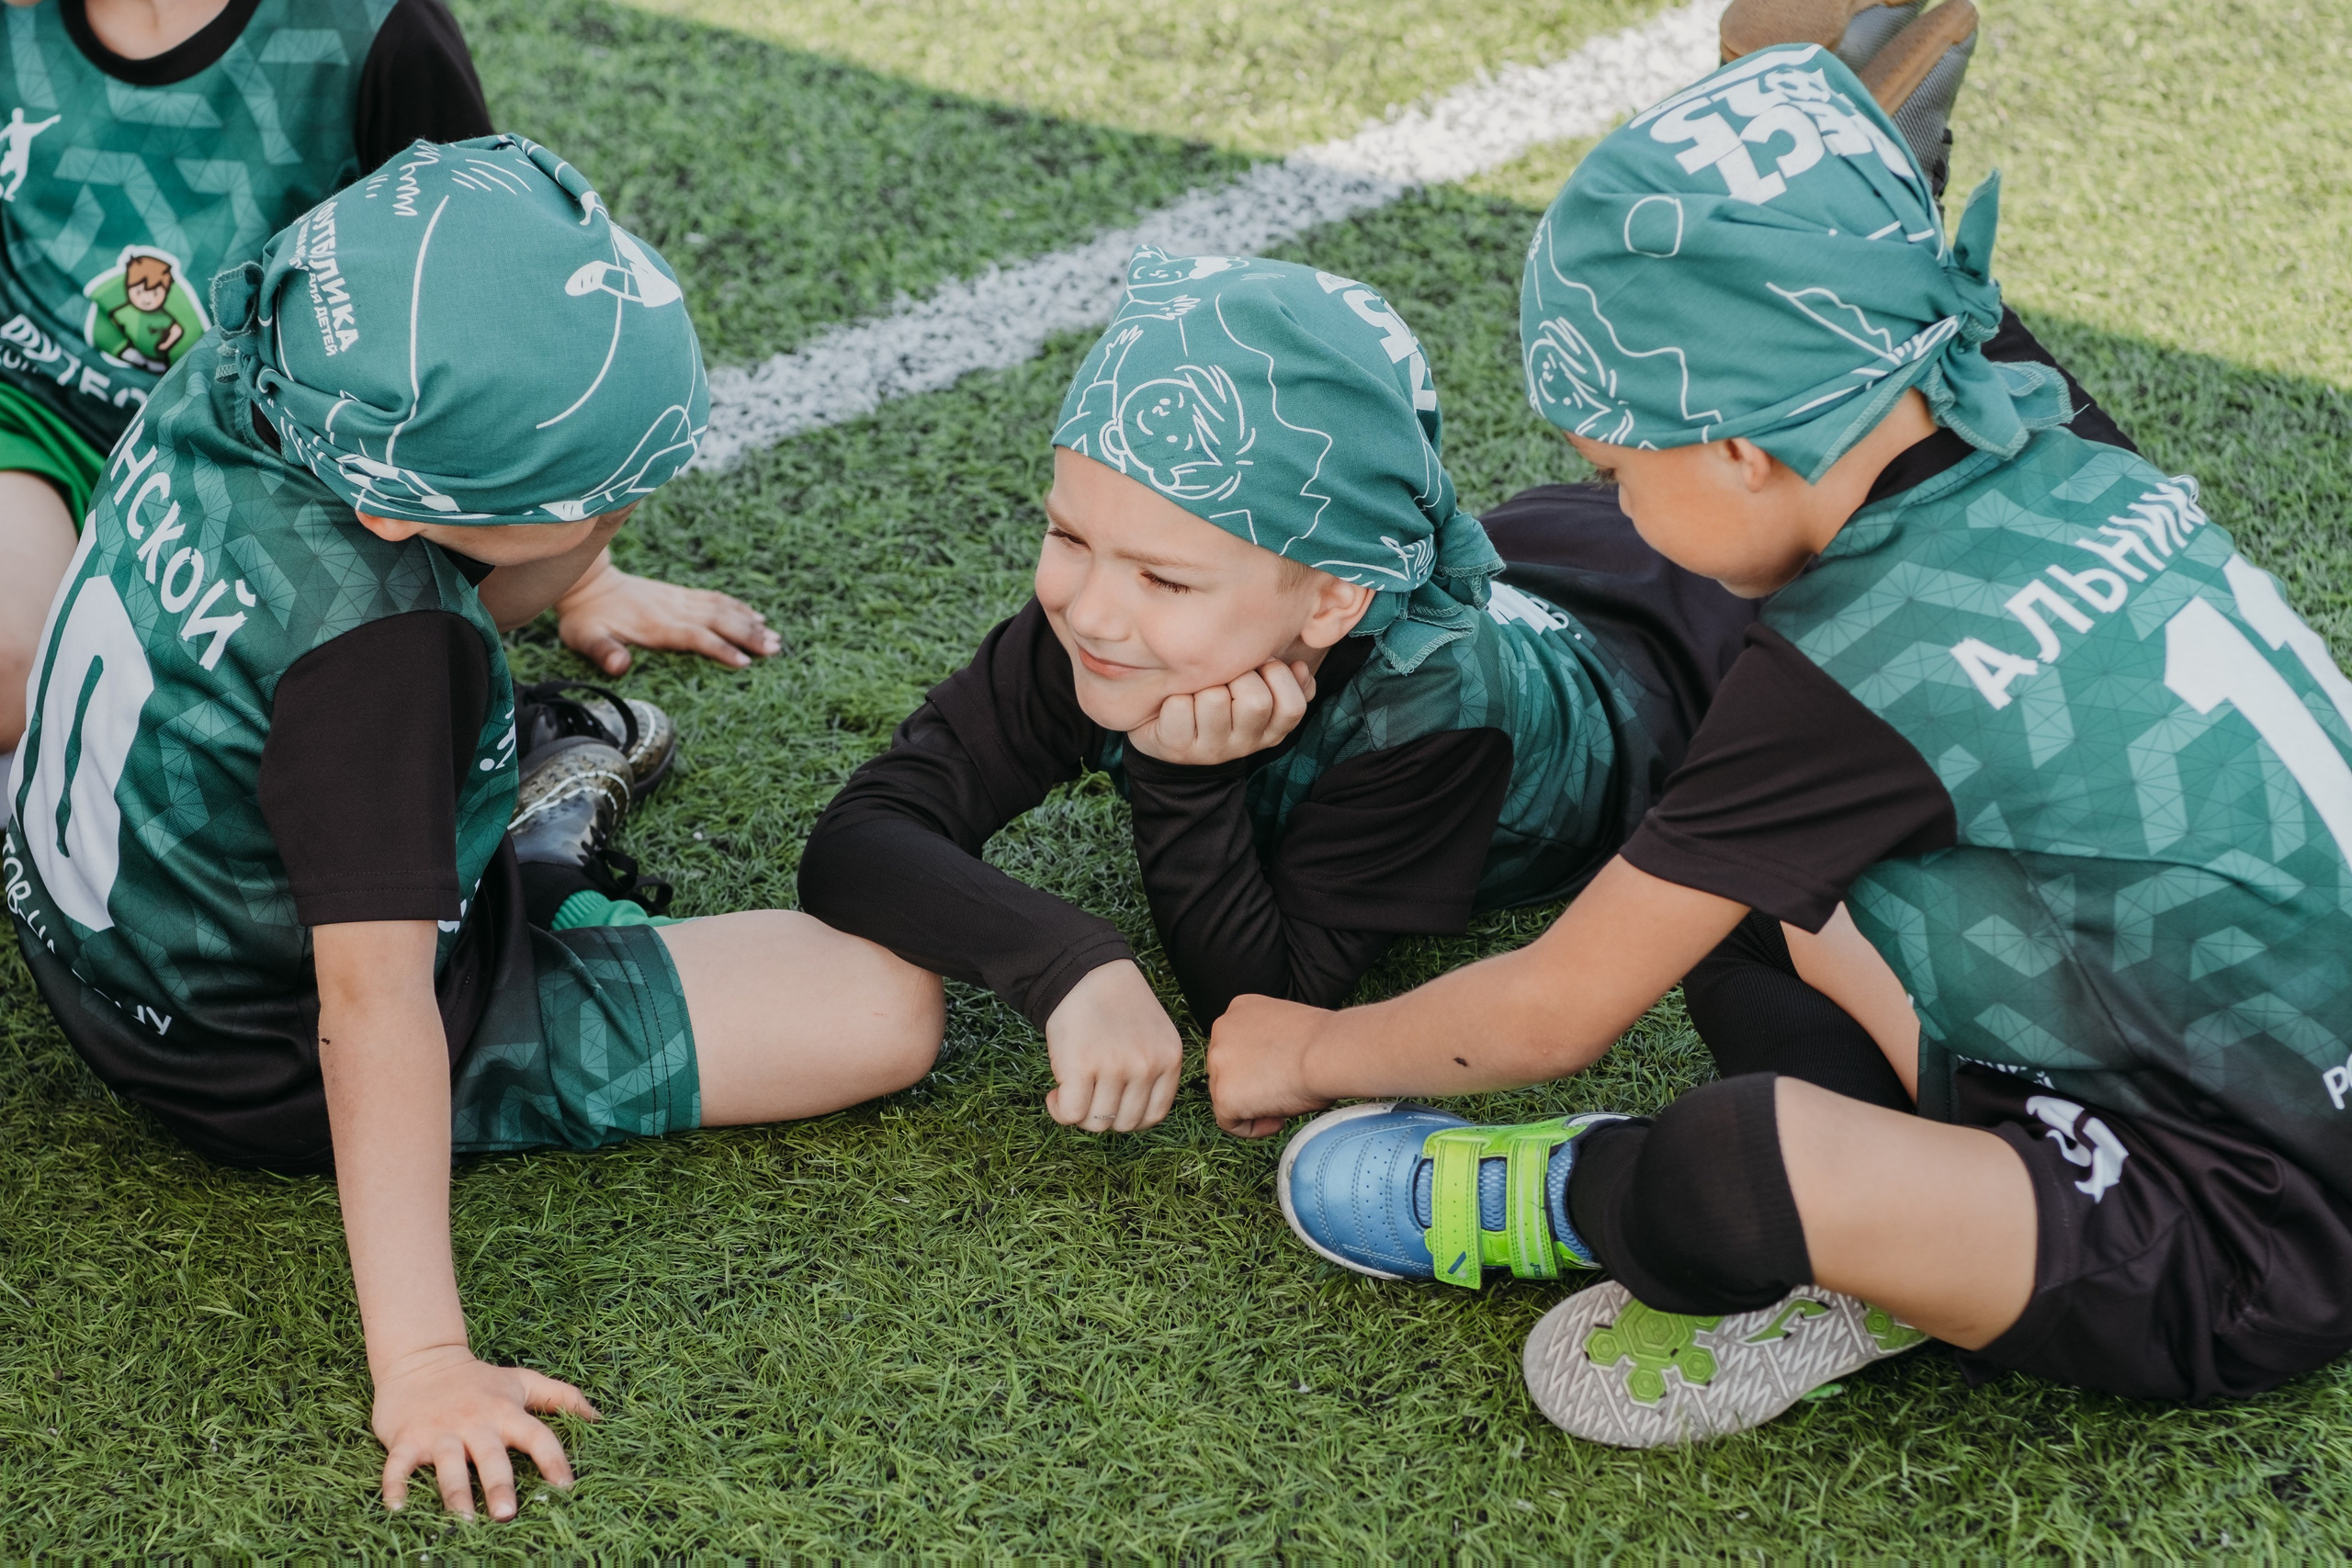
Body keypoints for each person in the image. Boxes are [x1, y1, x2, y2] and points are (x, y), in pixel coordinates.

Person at [1210, 44, 2352, 1449]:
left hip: (2241, 1237)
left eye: (1619, 471)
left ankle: (1587, 1190)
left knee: (1730, 1160)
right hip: (2220, 1065)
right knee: (1753, 898)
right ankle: (1918, 1228)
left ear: (1743, 451)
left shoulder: (1865, 650)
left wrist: (1310, 1048)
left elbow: (1553, 1012)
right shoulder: (2006, 390)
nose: (1615, 510)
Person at [3, 137, 944, 1516]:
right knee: (883, 1006)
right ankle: (544, 868)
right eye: (599, 511)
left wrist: (573, 575)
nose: (615, 522)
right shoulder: (381, 656)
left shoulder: (246, 357)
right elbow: (369, 1006)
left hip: (100, 914)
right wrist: (425, 1359)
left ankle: (525, 825)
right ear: (405, 508)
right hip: (247, 1051)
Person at [797, 245, 1758, 1135]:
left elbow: (1267, 1006)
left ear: (1334, 598)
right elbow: (863, 837)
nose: (1088, 611)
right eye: (1069, 537)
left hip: (1688, 666)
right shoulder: (1109, 628)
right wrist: (1063, 961)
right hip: (1559, 554)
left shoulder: (1432, 718)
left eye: (1164, 578)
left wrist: (1185, 782)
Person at [0, 0, 777, 766]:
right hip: (36, 416)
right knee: (13, 675)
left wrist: (586, 576)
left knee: (328, 703)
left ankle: (487, 754)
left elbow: (470, 283)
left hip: (270, 454)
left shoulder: (375, 30)